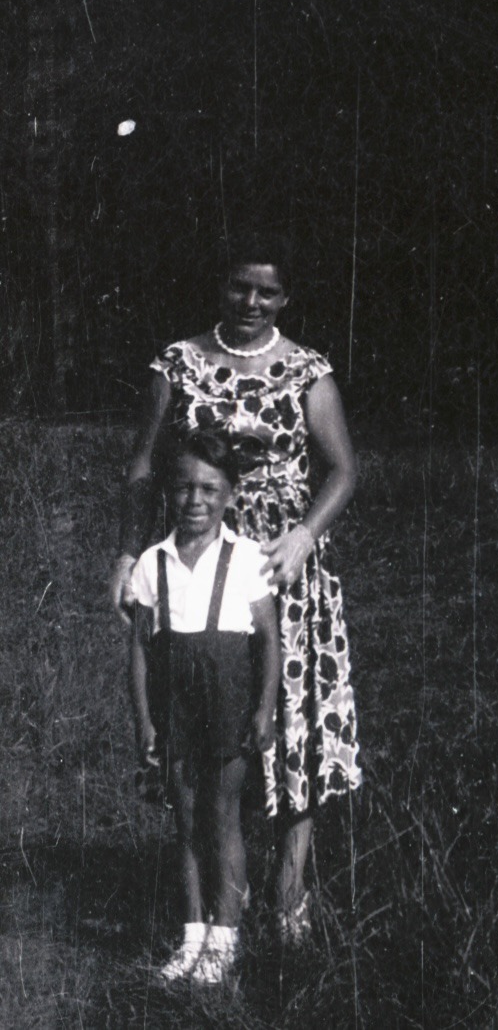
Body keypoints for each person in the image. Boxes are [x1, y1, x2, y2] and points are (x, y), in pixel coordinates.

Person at [112, 236, 363, 943]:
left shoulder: (307, 370)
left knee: (289, 714)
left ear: (286, 297)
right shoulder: (179, 364)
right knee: (204, 715)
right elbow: (142, 467)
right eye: (239, 287)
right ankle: (225, 892)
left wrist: (305, 535)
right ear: (221, 287)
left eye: (267, 292)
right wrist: (127, 555)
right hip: (197, 561)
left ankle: (290, 889)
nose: (251, 302)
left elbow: (344, 469)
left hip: (282, 568)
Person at [130, 430, 279, 985]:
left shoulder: (248, 559)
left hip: (228, 703)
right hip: (176, 709)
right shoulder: (153, 563)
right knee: (187, 818)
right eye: (184, 487)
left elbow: (270, 640)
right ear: (169, 492)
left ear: (231, 495)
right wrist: (144, 721)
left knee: (223, 817)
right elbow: (139, 651)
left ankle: (225, 937)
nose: (195, 500)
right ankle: (192, 934)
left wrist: (264, 709)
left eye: (210, 489)